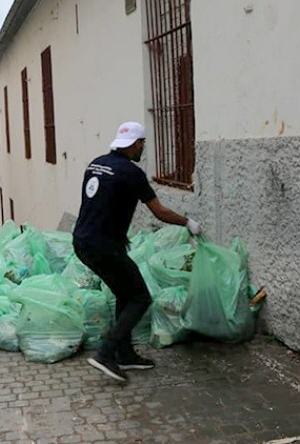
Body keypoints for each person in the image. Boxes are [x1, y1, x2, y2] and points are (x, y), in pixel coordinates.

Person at [72, 121, 202, 382]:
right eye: (142, 143)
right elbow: (159, 211)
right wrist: (187, 222)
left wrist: (119, 237)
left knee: (125, 292)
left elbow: (101, 204)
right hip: (103, 246)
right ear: (135, 144)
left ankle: (125, 353)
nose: (143, 148)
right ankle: (106, 353)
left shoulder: (95, 164)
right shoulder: (131, 173)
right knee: (140, 298)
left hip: (83, 240)